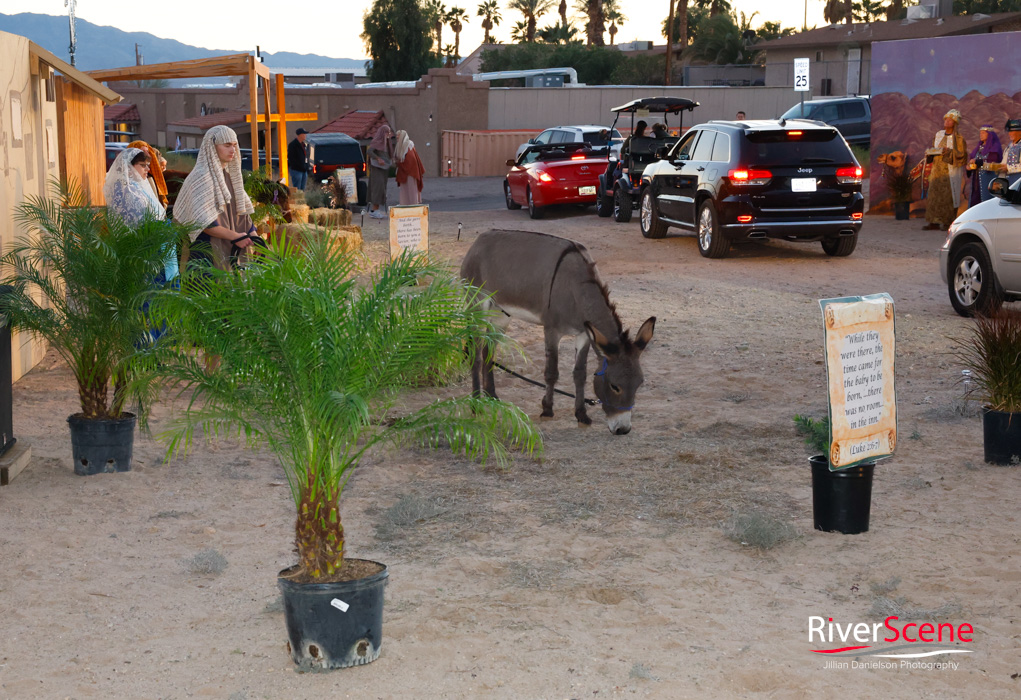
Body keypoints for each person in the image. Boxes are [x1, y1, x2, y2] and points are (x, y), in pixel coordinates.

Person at [104, 147, 178, 342]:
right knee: (146, 300)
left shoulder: (141, 186)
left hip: (158, 249)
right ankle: (145, 345)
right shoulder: (124, 190)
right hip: (143, 252)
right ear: (129, 166)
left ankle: (158, 343)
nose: (147, 169)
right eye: (142, 165)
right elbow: (135, 222)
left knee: (159, 299)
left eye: (148, 165)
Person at [173, 125, 257, 271]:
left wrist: (256, 238)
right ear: (212, 147)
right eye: (227, 145)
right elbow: (204, 223)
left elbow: (242, 214)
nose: (233, 150)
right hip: (206, 256)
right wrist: (235, 236)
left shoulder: (230, 177)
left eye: (235, 145)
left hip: (230, 253)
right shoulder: (200, 178)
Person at [922, 109, 967, 231]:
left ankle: (948, 222)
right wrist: (930, 153)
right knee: (934, 195)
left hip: (949, 171)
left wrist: (949, 152)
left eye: (950, 120)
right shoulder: (939, 135)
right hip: (937, 170)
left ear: (955, 123)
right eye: (946, 119)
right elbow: (934, 148)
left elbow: (961, 155)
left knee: (948, 197)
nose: (947, 122)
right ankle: (933, 222)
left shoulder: (958, 138)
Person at [966, 125, 1003, 206]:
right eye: (980, 133)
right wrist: (969, 167)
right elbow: (973, 159)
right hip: (976, 181)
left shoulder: (994, 147)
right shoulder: (979, 148)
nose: (981, 135)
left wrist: (977, 162)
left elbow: (992, 161)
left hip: (987, 179)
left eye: (983, 133)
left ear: (989, 134)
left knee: (986, 201)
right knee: (975, 202)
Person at [128, 140, 169, 207]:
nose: (147, 154)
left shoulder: (149, 178)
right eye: (143, 151)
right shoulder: (124, 182)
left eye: (147, 151)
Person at [366, 124, 393, 218]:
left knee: (382, 189)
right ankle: (375, 210)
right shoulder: (377, 141)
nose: (388, 134)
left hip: (384, 169)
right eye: (386, 132)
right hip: (377, 169)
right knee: (377, 188)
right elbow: (369, 151)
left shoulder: (387, 142)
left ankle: (374, 210)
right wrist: (378, 159)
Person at [394, 129, 425, 205]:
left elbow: (410, 160)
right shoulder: (403, 146)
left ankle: (412, 204)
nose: (397, 139)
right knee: (405, 188)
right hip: (405, 171)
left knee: (411, 189)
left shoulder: (408, 146)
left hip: (411, 172)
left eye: (398, 137)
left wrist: (400, 163)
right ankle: (405, 203)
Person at [999, 118, 1021, 187]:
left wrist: (1008, 168)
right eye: (1009, 131)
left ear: (1020, 132)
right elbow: (1004, 164)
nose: (1009, 134)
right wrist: (999, 181)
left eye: (1012, 131)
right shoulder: (1009, 147)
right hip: (1009, 183)